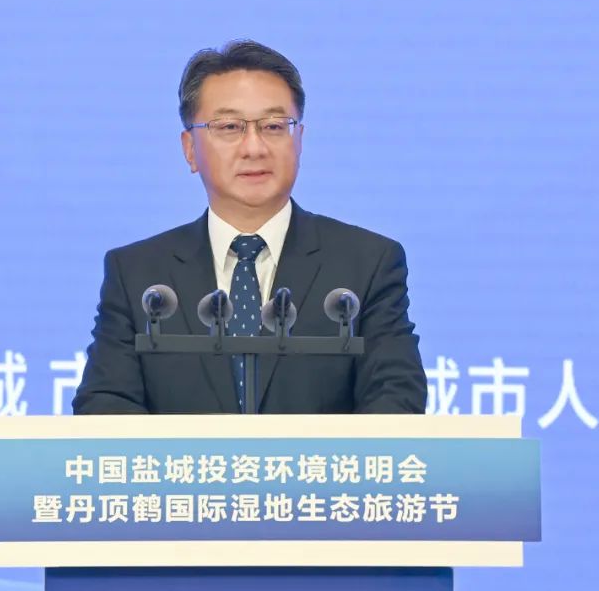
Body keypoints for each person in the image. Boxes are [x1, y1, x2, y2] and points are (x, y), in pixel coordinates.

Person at [72, 40, 427, 414]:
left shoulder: (367, 263)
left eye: (274, 126)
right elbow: (104, 406)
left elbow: (396, 400)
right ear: (190, 149)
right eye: (230, 127)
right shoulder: (137, 273)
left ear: (299, 140)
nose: (254, 148)